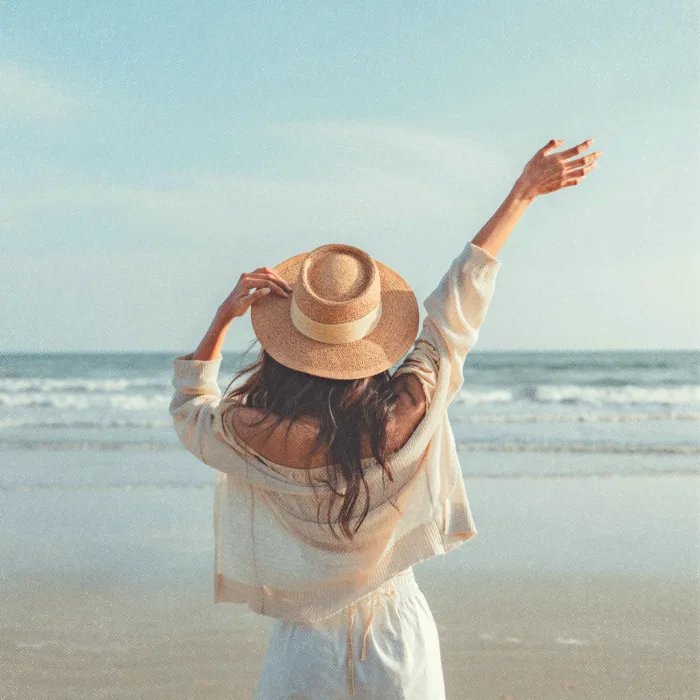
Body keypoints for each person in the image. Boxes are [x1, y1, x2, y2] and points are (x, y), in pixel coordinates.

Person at [169, 138, 601, 699]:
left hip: (303, 645)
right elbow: (458, 306)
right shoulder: (407, 411)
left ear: (283, 343)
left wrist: (224, 317)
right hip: (398, 633)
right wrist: (523, 192)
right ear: (371, 340)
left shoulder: (252, 433)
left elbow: (189, 409)